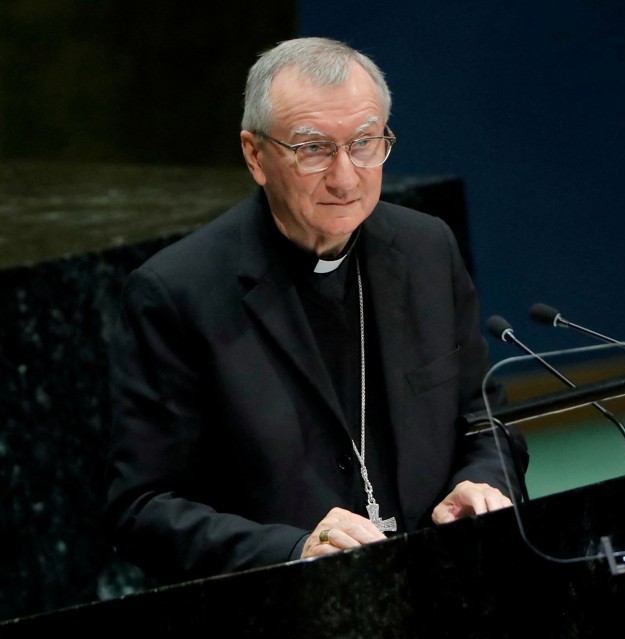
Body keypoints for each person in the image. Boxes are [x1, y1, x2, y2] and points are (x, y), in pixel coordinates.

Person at [104, 36, 518, 583]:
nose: (345, 177)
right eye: (314, 149)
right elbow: (141, 510)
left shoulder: (426, 250)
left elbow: (485, 422)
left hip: (441, 586)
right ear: (255, 155)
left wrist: (484, 482)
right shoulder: (177, 293)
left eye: (365, 142)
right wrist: (294, 550)